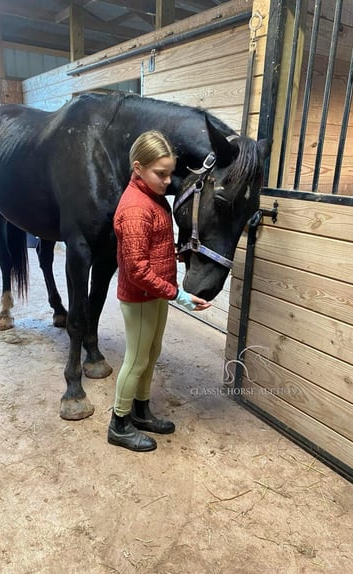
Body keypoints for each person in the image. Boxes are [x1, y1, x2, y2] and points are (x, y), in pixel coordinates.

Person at [108, 130, 211, 452]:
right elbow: (136, 268)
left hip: (157, 293)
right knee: (137, 359)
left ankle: (140, 411)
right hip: (141, 296)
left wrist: (175, 255)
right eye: (160, 174)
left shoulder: (153, 198)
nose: (168, 181)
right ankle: (119, 423)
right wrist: (178, 295)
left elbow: (151, 249)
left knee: (150, 355)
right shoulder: (136, 207)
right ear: (138, 168)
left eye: (170, 173)